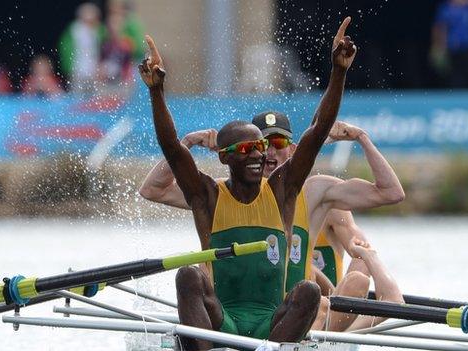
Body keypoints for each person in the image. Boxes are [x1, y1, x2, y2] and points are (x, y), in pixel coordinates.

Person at [138, 17, 356, 349]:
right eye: (244, 149)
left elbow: (317, 132)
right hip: (221, 319)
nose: (257, 155)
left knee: (309, 291)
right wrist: (156, 91)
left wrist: (338, 71)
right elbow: (172, 148)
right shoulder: (207, 195)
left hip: (272, 323)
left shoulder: (282, 190)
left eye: (260, 147)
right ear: (225, 158)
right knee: (188, 275)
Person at [140, 116, 404, 332]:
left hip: (295, 317)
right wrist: (187, 143)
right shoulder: (219, 194)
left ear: (293, 149)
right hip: (231, 313)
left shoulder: (316, 192)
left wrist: (362, 138)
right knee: (197, 273)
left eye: (278, 143)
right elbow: (152, 190)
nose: (268, 152)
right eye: (260, 144)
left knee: (355, 279)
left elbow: (391, 192)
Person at [431, 0, 468, 87]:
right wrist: (439, 46)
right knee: (455, 76)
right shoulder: (446, 8)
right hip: (453, 48)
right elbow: (440, 28)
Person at [58, 2, 105, 94]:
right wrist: (69, 66)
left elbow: (106, 46)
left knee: (95, 96)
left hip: (95, 70)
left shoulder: (99, 30)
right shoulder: (74, 30)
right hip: (77, 69)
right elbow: (65, 48)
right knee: (77, 95)